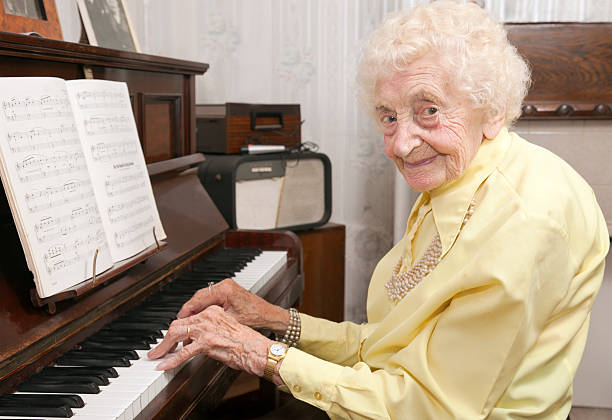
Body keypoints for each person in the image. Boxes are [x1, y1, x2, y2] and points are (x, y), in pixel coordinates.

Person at [148, 1, 609, 418]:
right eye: (389, 116)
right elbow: (388, 346)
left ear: (492, 109)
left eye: (428, 110)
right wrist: (275, 321)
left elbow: (429, 407)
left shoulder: (519, 222)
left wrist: (261, 354)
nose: (402, 146)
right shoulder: (458, 182)